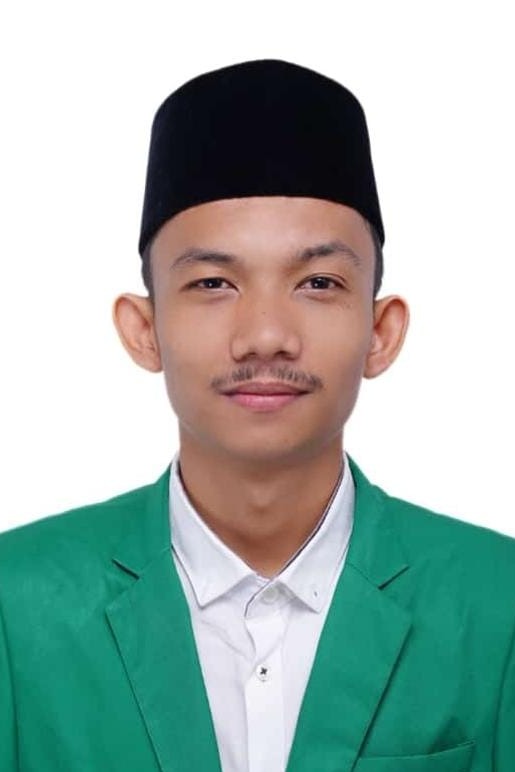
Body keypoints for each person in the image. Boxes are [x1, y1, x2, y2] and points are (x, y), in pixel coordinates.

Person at [0, 58, 514, 772]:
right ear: (144, 330)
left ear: (381, 331)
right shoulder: (15, 606)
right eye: (213, 282)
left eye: (318, 282)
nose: (266, 335)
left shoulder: (497, 602)